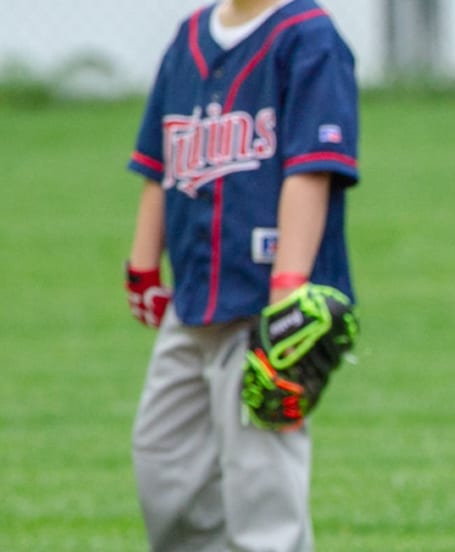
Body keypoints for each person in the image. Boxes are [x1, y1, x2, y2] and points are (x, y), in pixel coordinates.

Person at [124, 0, 360, 550]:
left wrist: (287, 289)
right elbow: (158, 163)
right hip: (192, 299)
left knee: (261, 481)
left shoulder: (308, 37)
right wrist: (142, 264)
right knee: (162, 461)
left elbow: (312, 169)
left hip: (265, 309)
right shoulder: (187, 40)